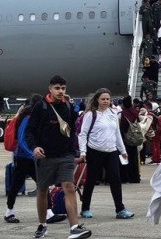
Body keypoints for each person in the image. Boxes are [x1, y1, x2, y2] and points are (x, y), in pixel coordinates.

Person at [25, 75, 91, 239]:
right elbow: (29, 131)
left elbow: (73, 130)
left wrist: (76, 152)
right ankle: (42, 225)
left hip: (65, 156)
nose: (61, 91)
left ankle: (74, 227)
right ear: (50, 89)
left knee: (69, 187)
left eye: (63, 88)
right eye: (57, 88)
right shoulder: (41, 107)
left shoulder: (68, 106)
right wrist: (34, 147)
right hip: (45, 157)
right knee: (42, 191)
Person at [5, 94, 67, 224]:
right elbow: (22, 139)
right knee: (19, 185)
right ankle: (9, 211)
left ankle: (48, 213)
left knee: (41, 185)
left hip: (31, 158)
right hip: (24, 158)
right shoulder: (27, 119)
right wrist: (33, 152)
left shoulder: (34, 118)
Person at [78, 88, 134, 220]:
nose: (105, 101)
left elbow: (117, 133)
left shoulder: (113, 114)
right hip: (94, 151)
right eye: (103, 99)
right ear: (97, 99)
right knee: (91, 180)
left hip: (111, 151)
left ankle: (120, 209)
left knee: (115, 179)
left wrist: (123, 150)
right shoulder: (90, 114)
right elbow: (83, 134)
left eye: (108, 99)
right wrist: (83, 151)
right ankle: (85, 208)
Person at [119, 96, 141, 183]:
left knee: (124, 158)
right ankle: (134, 177)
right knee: (134, 158)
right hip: (134, 137)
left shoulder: (122, 113)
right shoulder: (135, 112)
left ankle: (124, 177)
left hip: (125, 138)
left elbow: (121, 126)